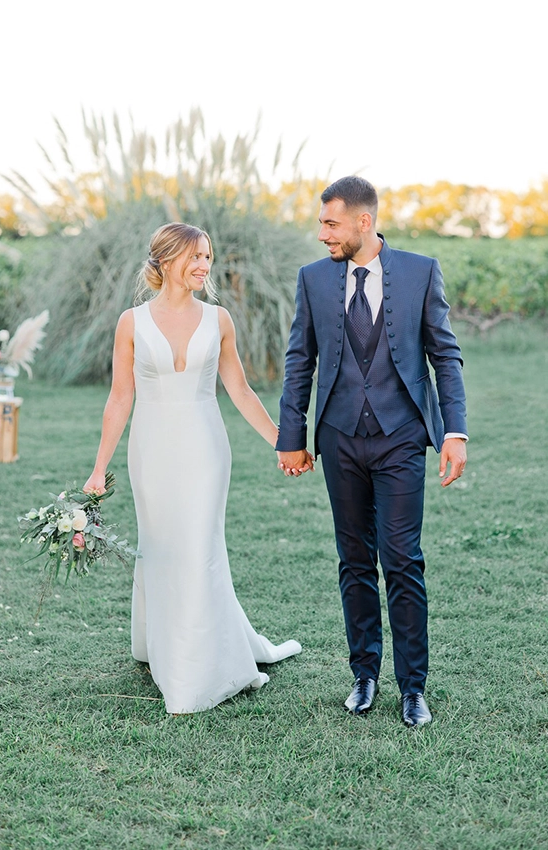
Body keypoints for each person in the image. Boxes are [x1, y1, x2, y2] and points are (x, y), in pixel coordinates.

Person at [84, 222, 301, 714]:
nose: (205, 265)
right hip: (151, 452)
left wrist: (284, 443)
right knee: (162, 549)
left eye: (207, 256)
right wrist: (99, 469)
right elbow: (119, 398)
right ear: (165, 260)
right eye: (195, 256)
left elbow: (239, 389)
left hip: (206, 450)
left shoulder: (218, 320)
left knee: (201, 549)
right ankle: (162, 646)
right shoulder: (131, 323)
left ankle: (196, 673)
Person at [276, 177, 467, 727]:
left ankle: (413, 687)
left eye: (330, 224)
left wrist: (455, 432)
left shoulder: (420, 271)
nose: (322, 234)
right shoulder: (313, 279)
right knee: (354, 560)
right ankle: (364, 675)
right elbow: (300, 360)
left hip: (400, 437)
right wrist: (292, 436)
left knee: (402, 559)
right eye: (321, 223)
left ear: (364, 221)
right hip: (339, 438)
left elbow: (444, 356)